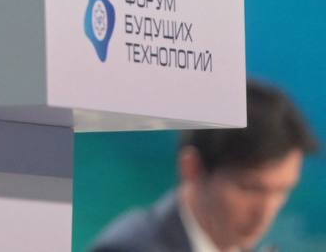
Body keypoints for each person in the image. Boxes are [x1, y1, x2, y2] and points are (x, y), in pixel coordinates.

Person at [90, 79, 318, 252]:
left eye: (282, 190)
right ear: (192, 168)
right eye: (250, 188)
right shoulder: (129, 248)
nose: (265, 212)